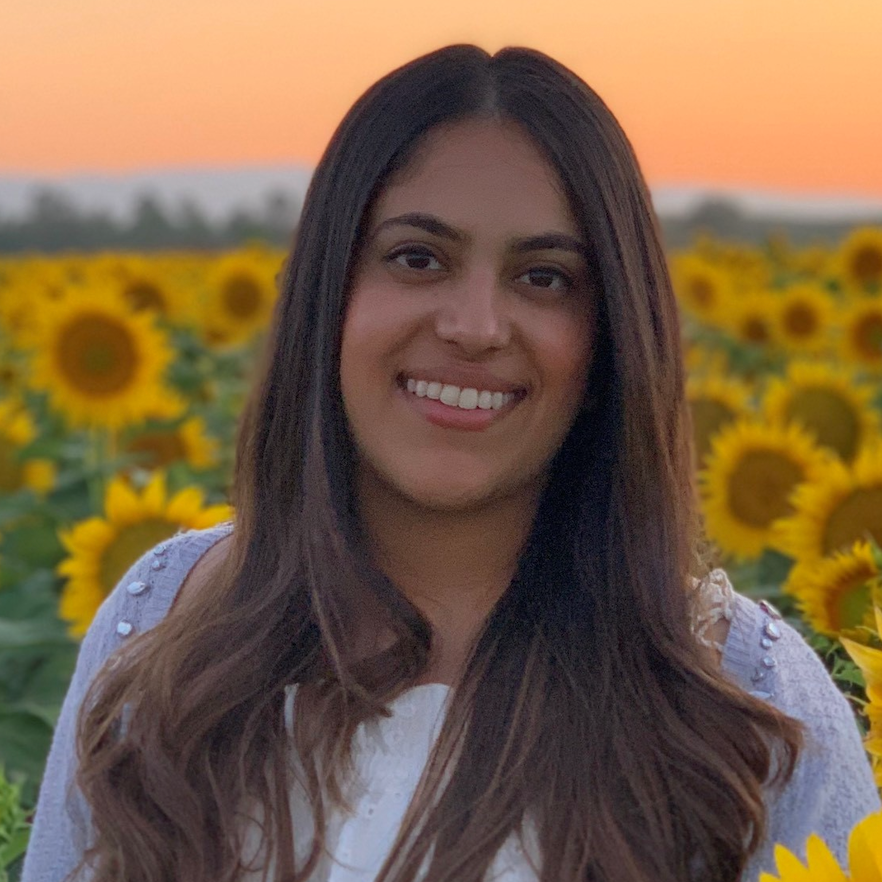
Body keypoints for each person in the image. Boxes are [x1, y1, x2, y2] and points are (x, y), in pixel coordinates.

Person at [22, 44, 879, 882]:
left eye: (544, 277)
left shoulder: (748, 704)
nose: (474, 326)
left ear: (611, 338)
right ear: (329, 294)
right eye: (418, 259)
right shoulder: (165, 627)